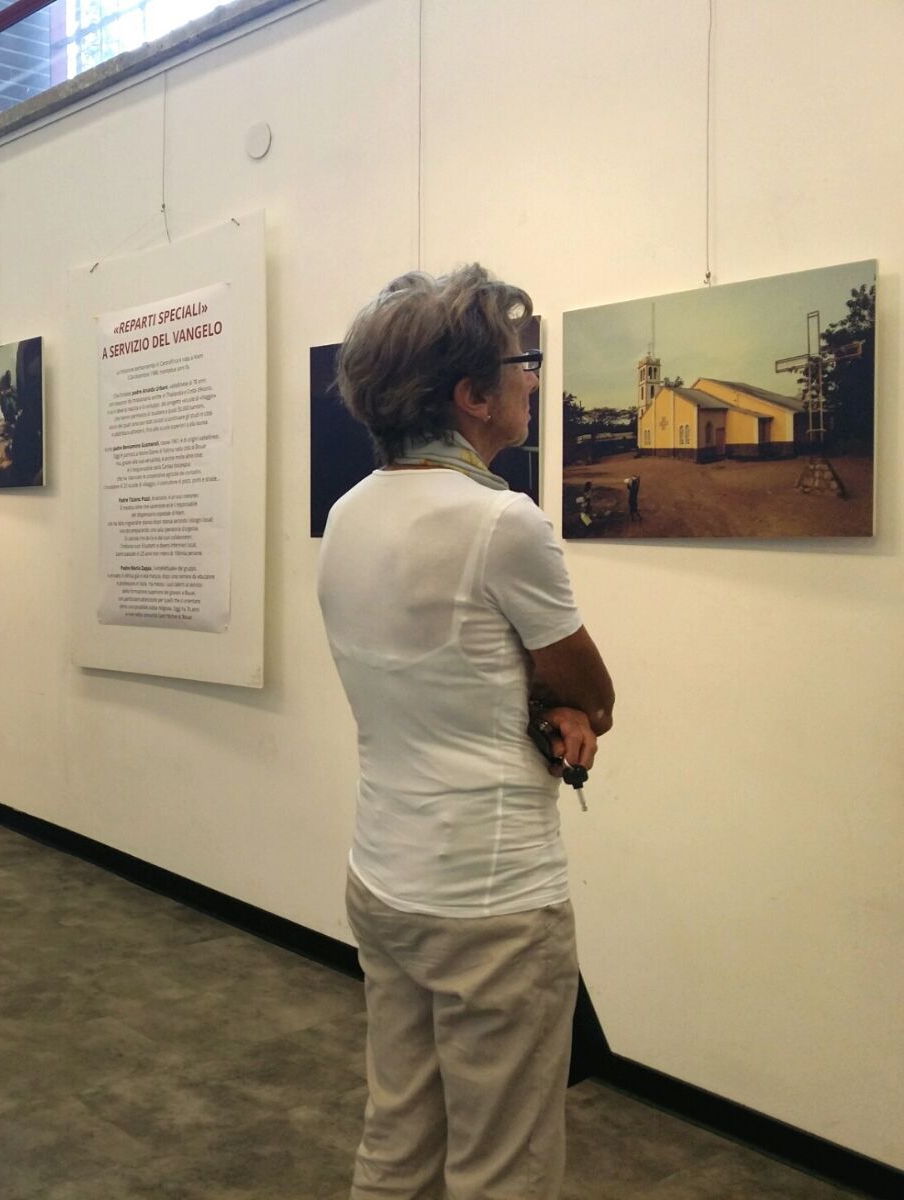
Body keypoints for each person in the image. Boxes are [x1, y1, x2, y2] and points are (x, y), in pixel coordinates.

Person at [318, 265, 614, 1200]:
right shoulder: (501, 522)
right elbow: (593, 693)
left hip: (384, 875)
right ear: (471, 397)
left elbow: (442, 672)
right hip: (492, 900)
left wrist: (535, 692)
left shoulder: (349, 512)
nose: (532, 378)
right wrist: (561, 703)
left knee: (398, 1134)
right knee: (503, 1165)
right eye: (521, 363)